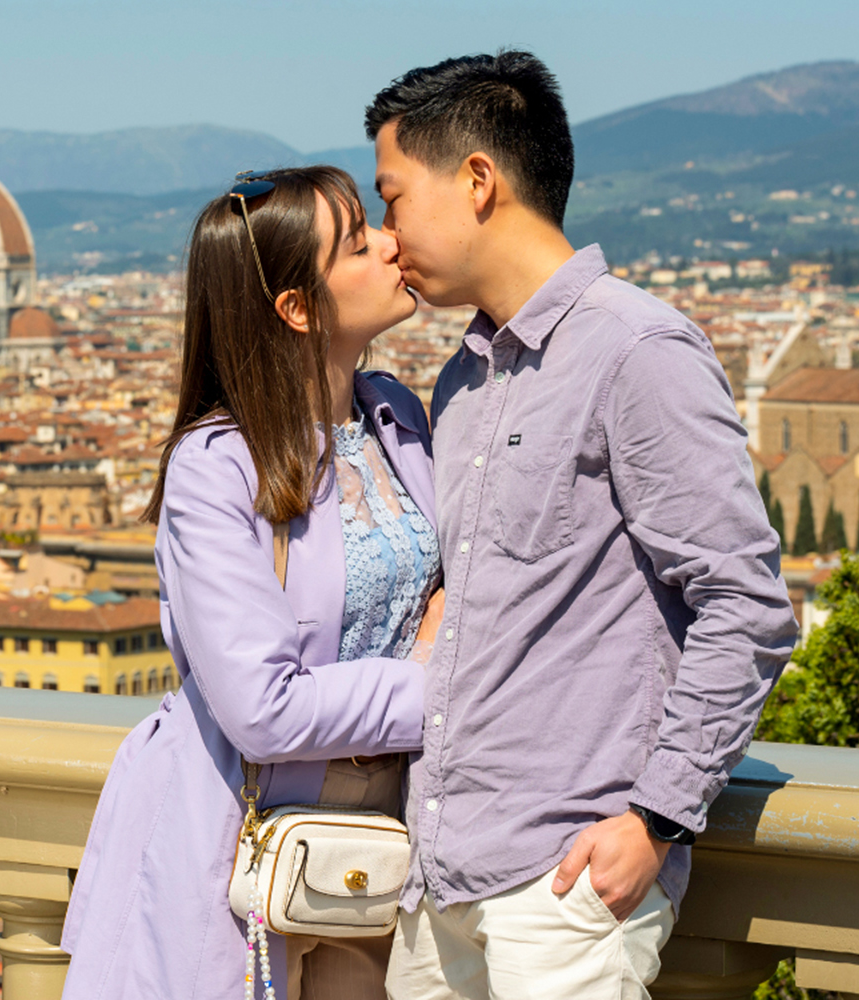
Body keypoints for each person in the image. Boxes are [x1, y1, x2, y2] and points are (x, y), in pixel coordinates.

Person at [363, 52, 799, 999]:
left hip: (560, 884)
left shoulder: (638, 351)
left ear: (479, 180)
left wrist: (657, 818)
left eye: (393, 198)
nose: (387, 236)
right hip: (436, 884)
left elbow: (747, 605)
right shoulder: (462, 382)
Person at [60, 165, 442, 1000]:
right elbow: (263, 709)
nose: (390, 242)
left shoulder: (400, 420)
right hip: (236, 841)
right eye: (356, 241)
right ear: (298, 309)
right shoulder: (216, 466)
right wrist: (439, 690)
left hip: (383, 843)